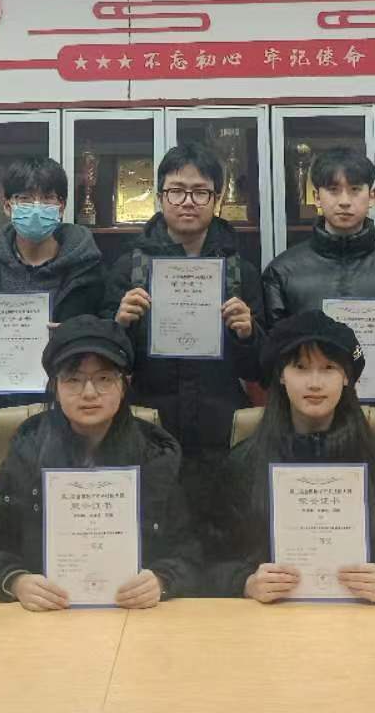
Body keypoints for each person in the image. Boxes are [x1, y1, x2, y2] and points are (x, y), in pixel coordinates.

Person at [208, 311, 375, 602]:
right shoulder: (243, 464)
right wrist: (245, 583)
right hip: (269, 619)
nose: (314, 383)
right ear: (281, 376)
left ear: (347, 377)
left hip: (363, 619)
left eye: (328, 368)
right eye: (300, 367)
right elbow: (204, 565)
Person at [0, 316, 195, 608]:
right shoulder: (28, 451)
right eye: (73, 379)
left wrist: (162, 580)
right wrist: (15, 581)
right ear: (55, 387)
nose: (89, 393)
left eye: (104, 379)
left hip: (136, 614)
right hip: (45, 615)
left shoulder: (156, 456)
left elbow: (193, 553)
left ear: (124, 385)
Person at [106, 142, 264, 542]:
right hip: (148, 428)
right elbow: (107, 362)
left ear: (217, 199)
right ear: (160, 197)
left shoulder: (241, 271)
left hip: (222, 430)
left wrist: (248, 333)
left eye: (200, 192)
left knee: (222, 540)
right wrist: (119, 325)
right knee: (154, 539)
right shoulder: (128, 269)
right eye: (176, 191)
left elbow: (261, 367)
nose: (188, 201)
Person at [0, 157, 105, 496]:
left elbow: (109, 339)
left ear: (61, 207)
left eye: (48, 198)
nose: (36, 208)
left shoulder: (90, 273)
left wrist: (73, 340)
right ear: (7, 205)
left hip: (65, 411)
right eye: (25, 199)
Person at [261, 147, 375, 425]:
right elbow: (269, 352)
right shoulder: (283, 271)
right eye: (333, 190)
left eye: (355, 190)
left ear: (372, 196)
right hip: (306, 419)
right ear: (317, 197)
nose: (344, 201)